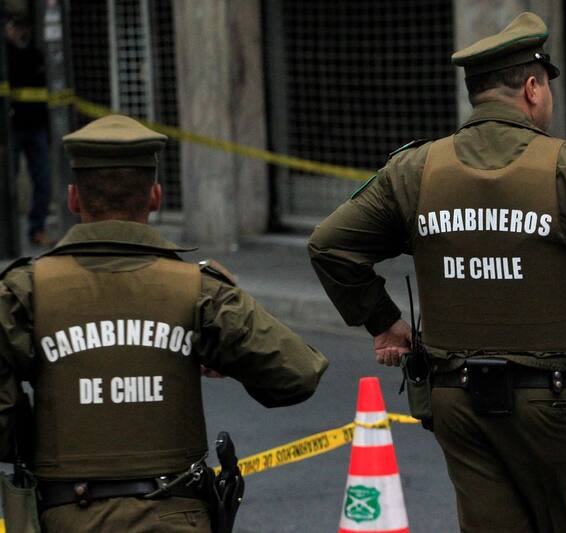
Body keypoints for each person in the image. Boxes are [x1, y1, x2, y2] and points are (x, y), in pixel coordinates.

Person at [308, 12, 566, 533]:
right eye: (545, 88)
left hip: (458, 403)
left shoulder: (415, 171)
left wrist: (383, 321)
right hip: (562, 405)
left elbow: (329, 246)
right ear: (531, 88)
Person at [0, 114, 329, 532]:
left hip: (66, 515)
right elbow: (298, 373)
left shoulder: (24, 291)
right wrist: (220, 354)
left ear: (72, 199)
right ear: (155, 197)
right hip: (176, 516)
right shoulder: (199, 290)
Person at [5, 12, 52, 246]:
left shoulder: (35, 55)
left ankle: (37, 229)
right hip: (10, 129)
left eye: (25, 27)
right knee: (6, 182)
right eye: (17, 27)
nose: (21, 32)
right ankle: (6, 233)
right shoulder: (4, 57)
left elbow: (44, 94)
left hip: (36, 128)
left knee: (43, 180)